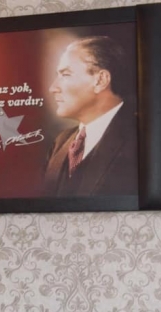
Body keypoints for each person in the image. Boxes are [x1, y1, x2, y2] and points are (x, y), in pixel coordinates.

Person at [43, 36, 138, 197]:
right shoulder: (61, 142)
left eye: (65, 74)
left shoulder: (140, 138)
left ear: (100, 80)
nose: (53, 88)